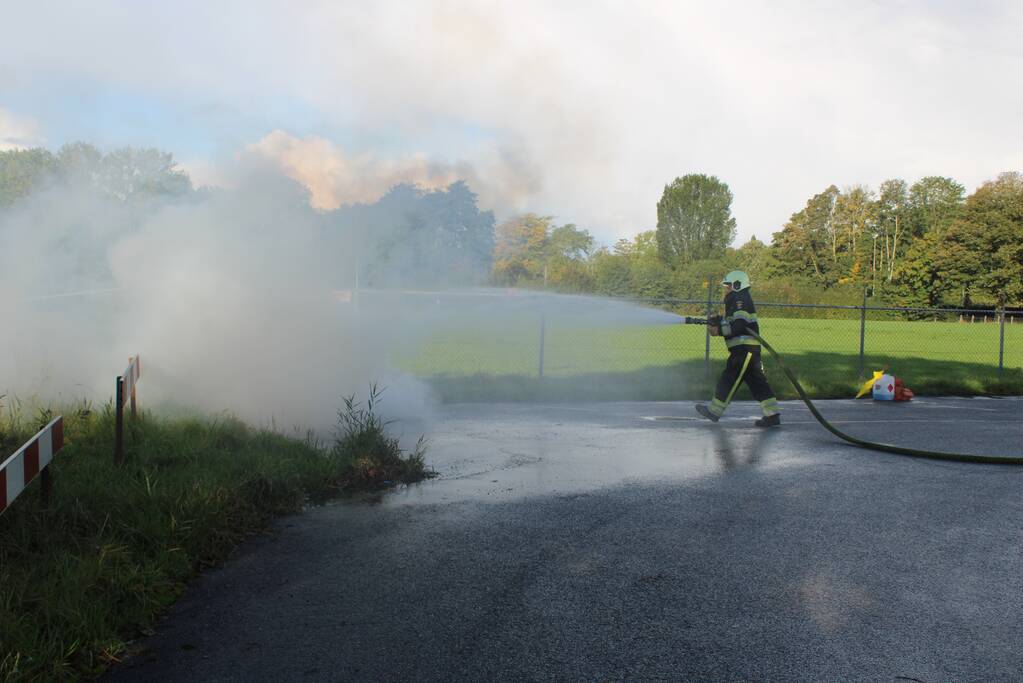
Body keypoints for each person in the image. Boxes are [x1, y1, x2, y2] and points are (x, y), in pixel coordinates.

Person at [695, 270, 781, 427]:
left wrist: (719, 330)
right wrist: (718, 320)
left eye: (728, 286)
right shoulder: (736, 301)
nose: (725, 289)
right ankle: (772, 414)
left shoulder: (740, 300)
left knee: (729, 378)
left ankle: (714, 411)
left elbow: (740, 325)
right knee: (757, 383)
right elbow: (734, 322)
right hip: (745, 350)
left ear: (737, 285)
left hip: (744, 350)